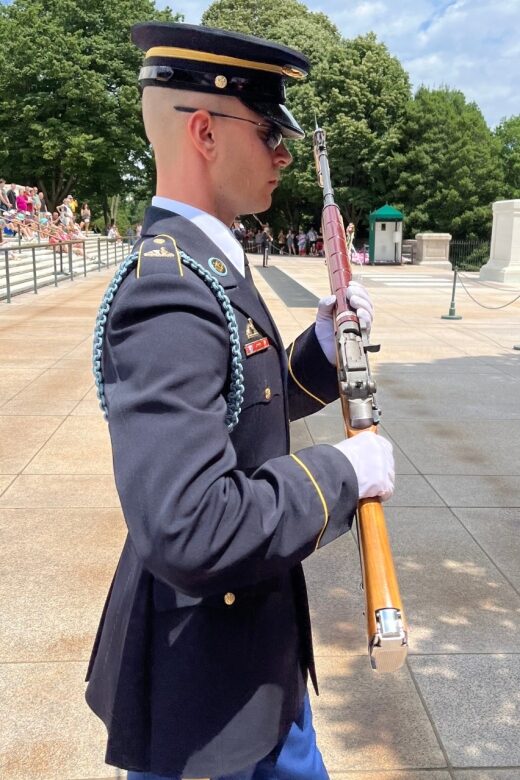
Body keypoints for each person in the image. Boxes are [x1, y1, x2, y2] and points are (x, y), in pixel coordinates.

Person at [85, 22, 394, 780]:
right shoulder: (167, 289)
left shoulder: (205, 261)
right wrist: (341, 474)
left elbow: (242, 406)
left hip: (254, 657)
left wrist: (319, 349)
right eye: (269, 132)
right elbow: (190, 525)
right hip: (205, 700)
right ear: (204, 131)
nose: (285, 154)